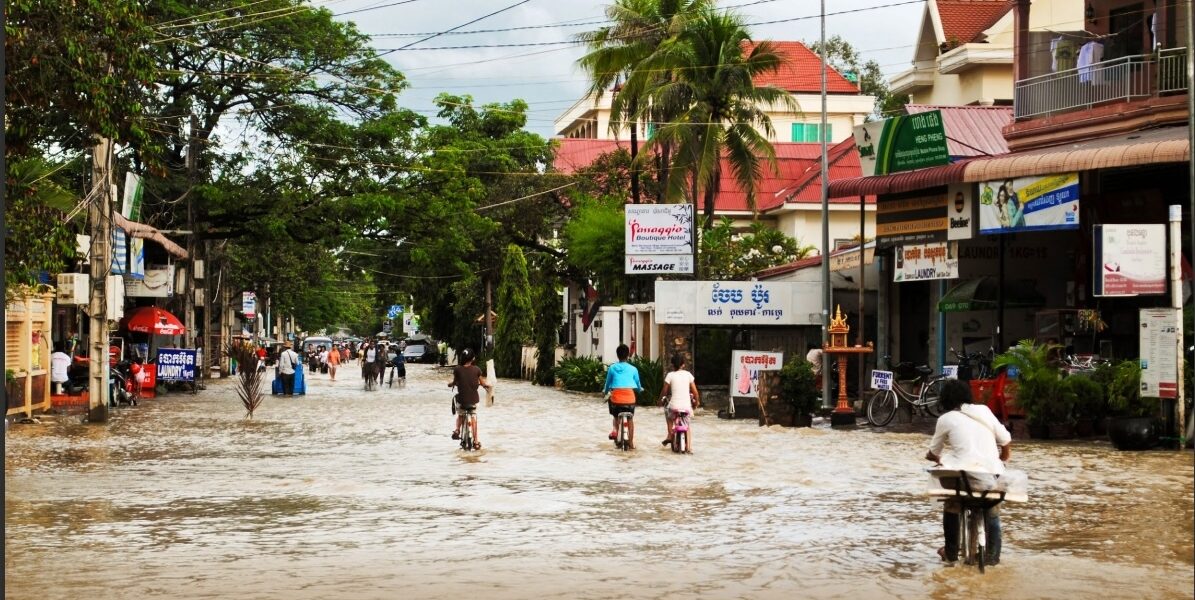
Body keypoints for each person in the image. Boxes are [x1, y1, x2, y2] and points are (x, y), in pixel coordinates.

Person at [926, 379, 1013, 566]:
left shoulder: (945, 419)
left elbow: (934, 453)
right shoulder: (984, 411)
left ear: (945, 400)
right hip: (993, 477)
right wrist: (1003, 460)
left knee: (951, 503)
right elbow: (1005, 441)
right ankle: (994, 557)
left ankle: (950, 553)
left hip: (964, 479)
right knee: (992, 510)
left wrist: (932, 457)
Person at [448, 348, 491, 449]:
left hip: (462, 401)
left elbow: (455, 382)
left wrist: (450, 384)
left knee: (460, 414)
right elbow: (483, 383)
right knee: (474, 418)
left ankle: (457, 430)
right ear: (472, 359)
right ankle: (476, 442)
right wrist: (486, 385)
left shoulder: (457, 369)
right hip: (474, 401)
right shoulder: (477, 369)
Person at [603, 344, 643, 449]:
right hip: (630, 399)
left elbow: (608, 384)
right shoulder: (633, 369)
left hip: (616, 399)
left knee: (615, 415)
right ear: (628, 355)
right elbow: (638, 384)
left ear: (617, 356)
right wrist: (639, 389)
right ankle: (631, 443)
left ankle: (615, 430)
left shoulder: (612, 368)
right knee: (630, 419)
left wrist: (605, 391)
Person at [659, 353, 700, 450]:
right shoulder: (688, 375)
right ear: (683, 364)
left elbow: (664, 391)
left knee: (667, 412)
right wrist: (696, 403)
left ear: (672, 365)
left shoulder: (670, 375)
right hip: (686, 407)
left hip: (674, 407)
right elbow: (696, 392)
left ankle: (669, 434)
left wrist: (659, 400)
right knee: (688, 426)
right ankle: (689, 448)